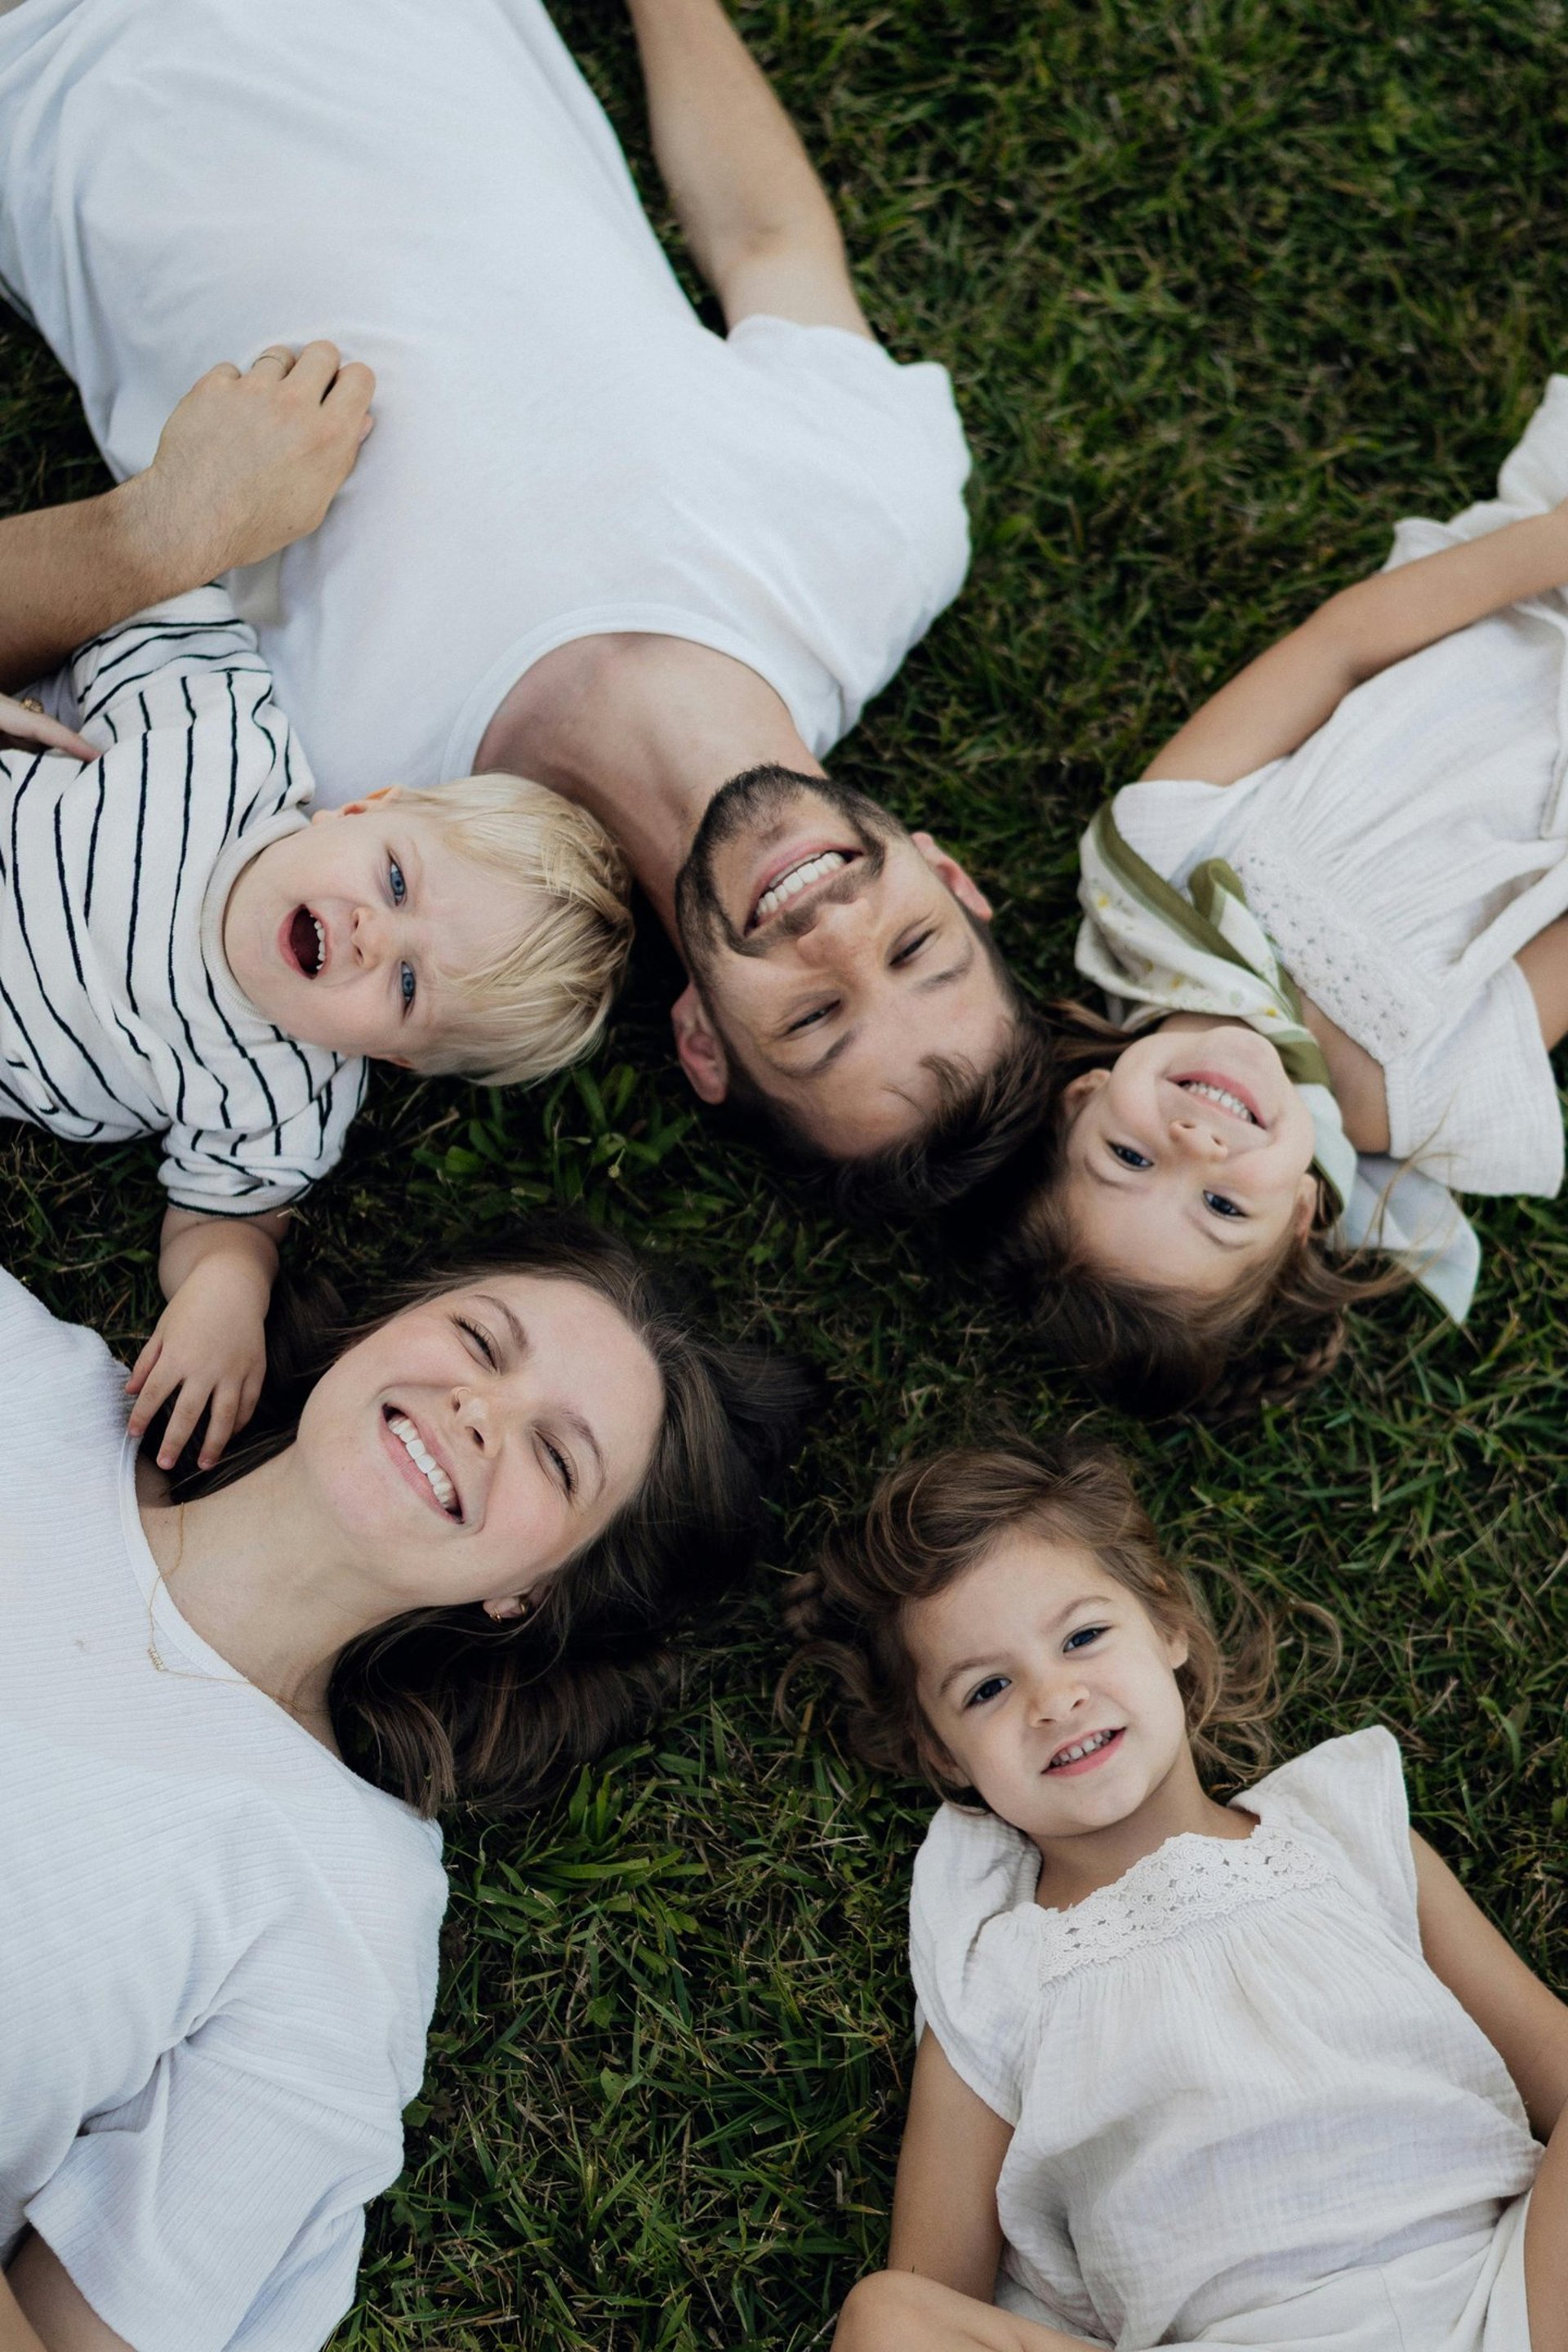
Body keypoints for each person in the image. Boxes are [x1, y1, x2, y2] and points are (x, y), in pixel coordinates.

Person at [0, 0, 1045, 1184]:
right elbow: (764, 242)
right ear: (951, 879)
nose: (835, 935)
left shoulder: (341, 819)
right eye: (916, 947)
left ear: (704, 1041)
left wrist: (161, 534)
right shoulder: (883, 534)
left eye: (812, 1020)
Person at [0, 1214, 813, 2350]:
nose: (482, 1413)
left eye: (557, 1457)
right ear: (374, 1332)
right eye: (481, 1342)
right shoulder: (22, 1381)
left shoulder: (347, 1907)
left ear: (530, 1589)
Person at [786, 1440, 1566, 2352]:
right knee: (890, 2318)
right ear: (946, 1758)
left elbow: (1552, 2067)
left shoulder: (1343, 1830)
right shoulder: (997, 1965)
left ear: (1167, 1628)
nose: (1054, 1698)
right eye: (989, 1688)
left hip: (1500, 2297)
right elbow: (940, 2283)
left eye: (1082, 1637)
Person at [975, 373, 1568, 1414]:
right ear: (1301, 1213)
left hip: (1528, 575)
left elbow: (1337, 649)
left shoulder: (1151, 868)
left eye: (1126, 1155)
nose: (1193, 1146)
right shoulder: (1415, 1098)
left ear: (1079, 1099)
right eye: (1218, 1206)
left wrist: (1555, 546)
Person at [0, 580, 631, 1472]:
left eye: (409, 984)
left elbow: (226, 1218)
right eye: (398, 881)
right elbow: (138, 591)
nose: (375, 934)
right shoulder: (220, 746)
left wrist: (225, 1291)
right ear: (365, 807)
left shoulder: (284, 1098)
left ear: (395, 1056)